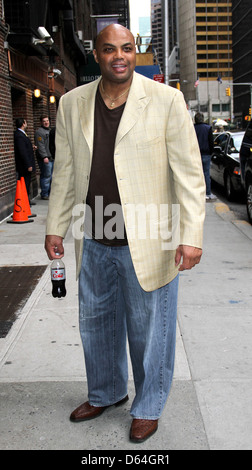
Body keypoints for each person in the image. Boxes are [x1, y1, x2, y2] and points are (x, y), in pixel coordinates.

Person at [45, 24, 205, 443]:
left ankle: (148, 405)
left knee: (150, 330)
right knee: (95, 324)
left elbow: (189, 175)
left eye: (128, 48)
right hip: (94, 235)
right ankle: (106, 393)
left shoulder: (166, 100)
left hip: (150, 236)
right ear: (95, 55)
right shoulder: (72, 103)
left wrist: (191, 235)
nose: (120, 55)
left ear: (136, 52)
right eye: (110, 49)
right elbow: (64, 172)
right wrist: (55, 226)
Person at [194, 112, 216, 201]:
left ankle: (197, 193)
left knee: (196, 174)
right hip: (206, 154)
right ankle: (207, 193)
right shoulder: (208, 128)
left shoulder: (193, 128)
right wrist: (211, 152)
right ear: (203, 119)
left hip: (195, 154)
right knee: (206, 174)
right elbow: (211, 142)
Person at [14, 118, 36, 200]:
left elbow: (25, 148)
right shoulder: (19, 135)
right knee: (25, 183)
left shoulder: (22, 134)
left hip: (25, 164)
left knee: (27, 182)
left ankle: (27, 200)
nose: (26, 124)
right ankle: (25, 201)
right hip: (24, 166)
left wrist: (31, 148)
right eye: (26, 122)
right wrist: (28, 165)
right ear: (23, 124)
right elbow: (22, 152)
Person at [35, 115, 54, 200]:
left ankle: (49, 193)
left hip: (52, 157)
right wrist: (44, 156)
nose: (46, 122)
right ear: (41, 122)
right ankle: (44, 194)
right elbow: (40, 145)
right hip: (46, 158)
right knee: (46, 176)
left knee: (51, 176)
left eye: (47, 121)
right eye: (44, 121)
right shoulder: (40, 132)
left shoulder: (50, 131)